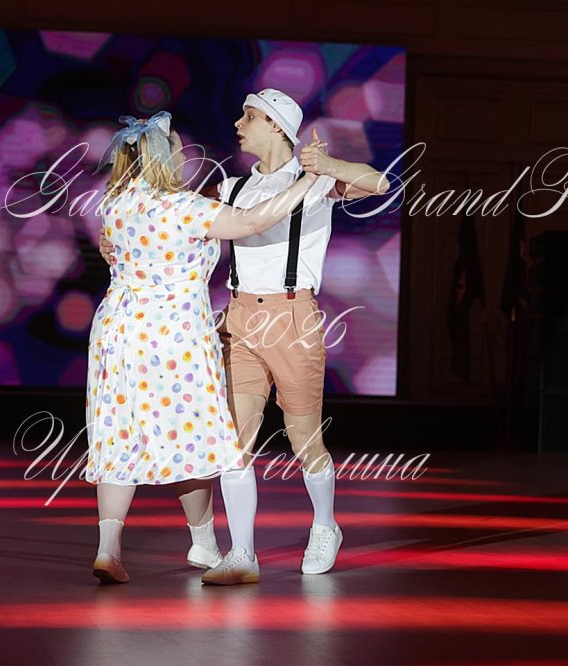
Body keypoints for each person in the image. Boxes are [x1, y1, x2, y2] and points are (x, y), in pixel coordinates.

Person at [102, 90, 388, 585]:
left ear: (277, 126)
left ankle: (325, 525)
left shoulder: (317, 182)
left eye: (249, 116)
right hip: (239, 318)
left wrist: (328, 165)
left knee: (303, 436)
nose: (238, 123)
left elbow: (380, 182)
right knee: (235, 443)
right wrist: (115, 240)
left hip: (293, 316)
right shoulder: (230, 188)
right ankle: (242, 554)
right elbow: (171, 220)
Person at [87, 111, 319, 584]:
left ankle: (110, 549)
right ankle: (204, 541)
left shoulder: (114, 203)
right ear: (163, 156)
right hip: (173, 337)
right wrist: (308, 181)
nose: (183, 153)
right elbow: (253, 221)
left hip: (117, 335)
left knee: (118, 436)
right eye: (176, 146)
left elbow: (113, 247)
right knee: (194, 439)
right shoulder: (185, 208)